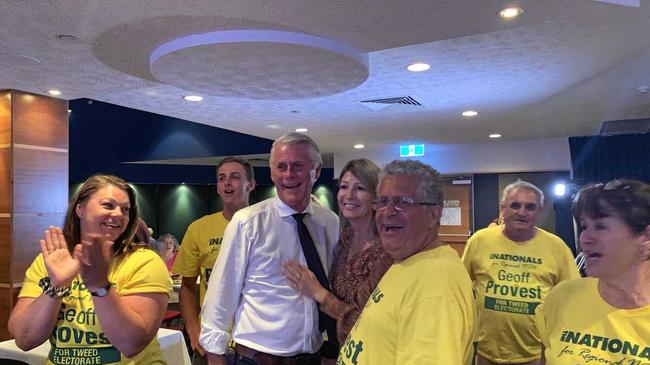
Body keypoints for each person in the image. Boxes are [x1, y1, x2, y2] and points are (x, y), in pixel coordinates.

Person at [200, 132, 339, 365]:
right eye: (281, 167)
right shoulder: (247, 222)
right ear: (272, 172)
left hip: (312, 357)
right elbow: (220, 298)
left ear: (316, 169)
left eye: (297, 166)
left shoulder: (329, 222)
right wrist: (215, 356)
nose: (288, 175)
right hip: (256, 359)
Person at [8, 174, 171, 364]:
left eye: (125, 209)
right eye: (108, 205)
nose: (118, 214)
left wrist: (99, 286)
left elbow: (132, 344)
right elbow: (24, 338)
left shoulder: (144, 262)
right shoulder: (52, 260)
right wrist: (56, 286)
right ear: (80, 209)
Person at [337, 160, 475, 364]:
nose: (388, 211)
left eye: (403, 202)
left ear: (434, 214)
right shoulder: (407, 261)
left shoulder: (437, 285)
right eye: (382, 201)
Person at [462, 180, 580, 365]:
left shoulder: (557, 247)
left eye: (530, 207)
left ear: (539, 212)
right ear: (503, 209)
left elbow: (573, 300)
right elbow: (462, 288)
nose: (522, 212)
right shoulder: (479, 240)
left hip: (536, 356)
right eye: (515, 205)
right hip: (486, 353)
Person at [536, 179, 650, 365]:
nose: (585, 239)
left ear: (646, 237)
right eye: (584, 226)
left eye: (600, 226)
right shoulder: (563, 297)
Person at [283, 159, 393, 349]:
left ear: (376, 198)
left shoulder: (386, 252)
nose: (349, 195)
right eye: (344, 187)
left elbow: (369, 322)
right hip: (343, 351)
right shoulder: (345, 239)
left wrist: (319, 293)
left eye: (360, 188)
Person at [172, 157, 256, 361]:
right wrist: (193, 329)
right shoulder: (198, 229)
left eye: (235, 177)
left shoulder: (265, 225)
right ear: (217, 187)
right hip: (212, 343)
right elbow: (188, 286)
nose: (227, 183)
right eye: (221, 178)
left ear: (250, 184)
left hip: (255, 343)